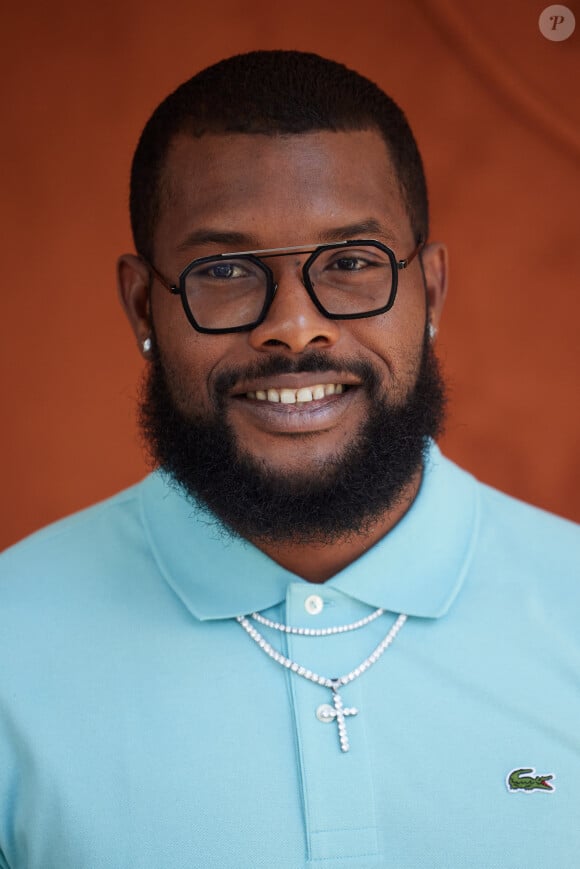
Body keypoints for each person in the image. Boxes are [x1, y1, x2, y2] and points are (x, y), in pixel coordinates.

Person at [0, 50, 578, 869]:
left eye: (350, 263)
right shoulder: (10, 642)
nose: (296, 327)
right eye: (226, 270)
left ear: (433, 294)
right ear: (143, 306)